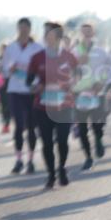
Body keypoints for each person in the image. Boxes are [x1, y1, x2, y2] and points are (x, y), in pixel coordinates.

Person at [27, 22, 79, 188]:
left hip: (64, 105)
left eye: (48, 32)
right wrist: (36, 86)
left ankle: (62, 168)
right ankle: (51, 174)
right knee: (47, 143)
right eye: (45, 32)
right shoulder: (37, 57)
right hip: (43, 107)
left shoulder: (69, 57)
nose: (45, 35)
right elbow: (29, 81)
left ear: (58, 36)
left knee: (63, 140)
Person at [1, 18, 43, 174]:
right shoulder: (11, 48)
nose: (23, 30)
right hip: (15, 90)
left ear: (30, 29)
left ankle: (31, 160)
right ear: (17, 29)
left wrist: (37, 82)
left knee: (31, 127)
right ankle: (19, 159)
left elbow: (42, 70)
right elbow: (4, 69)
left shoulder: (38, 48)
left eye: (26, 28)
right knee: (18, 125)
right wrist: (9, 69)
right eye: (21, 28)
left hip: (31, 91)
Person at [72, 22, 110, 169]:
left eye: (89, 31)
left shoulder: (101, 51)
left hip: (97, 92)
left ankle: (99, 141)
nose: (86, 33)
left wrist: (102, 83)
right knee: (82, 128)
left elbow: (108, 69)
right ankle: (88, 157)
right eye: (84, 31)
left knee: (97, 125)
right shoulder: (75, 51)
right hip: (81, 93)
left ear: (93, 33)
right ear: (80, 33)